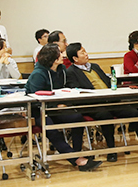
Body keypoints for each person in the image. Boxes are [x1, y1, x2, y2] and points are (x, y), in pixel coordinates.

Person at [64, 42, 138, 162]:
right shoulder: (70, 72)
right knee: (105, 116)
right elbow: (77, 92)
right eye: (82, 52)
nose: (86, 54)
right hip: (93, 105)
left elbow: (110, 82)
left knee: (136, 114)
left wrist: (124, 88)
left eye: (85, 50)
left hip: (111, 100)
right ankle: (111, 150)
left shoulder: (95, 66)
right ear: (75, 58)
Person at [25, 44, 102, 172]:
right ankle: (76, 160)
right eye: (60, 53)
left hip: (57, 108)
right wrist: (55, 105)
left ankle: (77, 152)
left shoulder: (61, 70)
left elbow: (65, 88)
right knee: (49, 127)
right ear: (53, 58)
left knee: (77, 118)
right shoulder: (38, 74)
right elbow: (34, 98)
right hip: (39, 111)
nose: (63, 56)